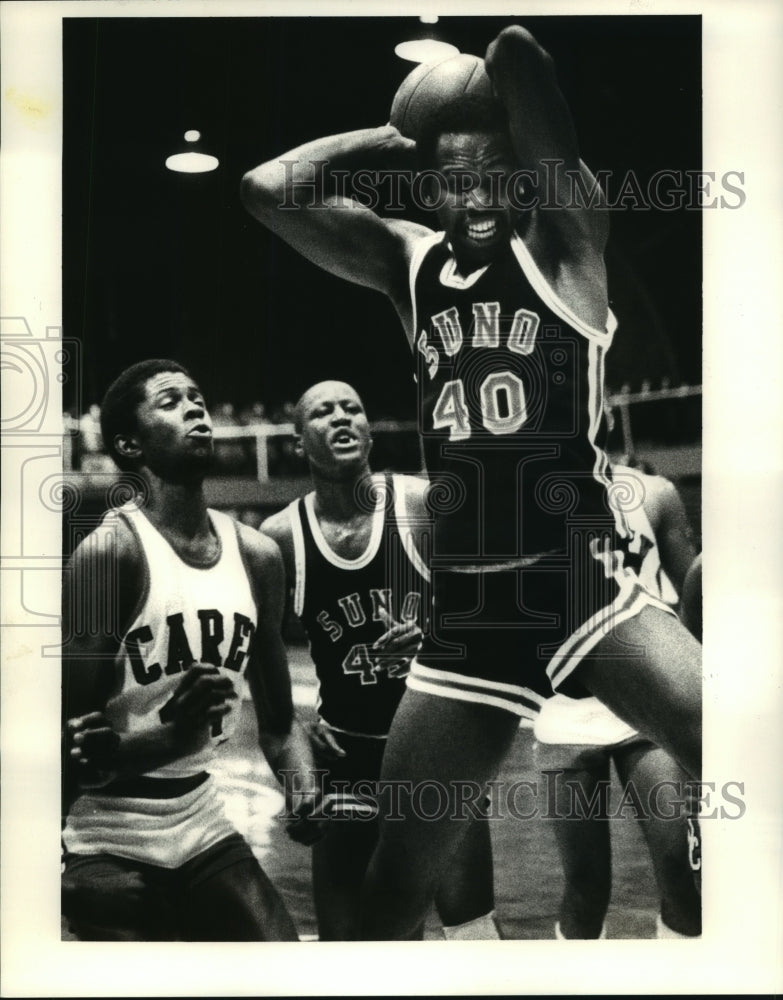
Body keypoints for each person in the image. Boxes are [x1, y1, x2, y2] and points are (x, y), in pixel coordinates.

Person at [241, 24, 702, 939]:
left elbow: (522, 54)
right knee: (392, 883)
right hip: (468, 611)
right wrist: (394, 134)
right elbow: (266, 191)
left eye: (494, 173)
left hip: (573, 580)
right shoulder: (408, 265)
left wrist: (469, 76)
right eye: (454, 178)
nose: (476, 194)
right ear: (430, 186)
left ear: (524, 176)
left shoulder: (568, 244)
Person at [61, 358, 324, 941]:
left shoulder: (257, 556)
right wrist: (168, 740)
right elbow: (66, 753)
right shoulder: (107, 556)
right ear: (130, 444)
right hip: (104, 832)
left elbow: (279, 728)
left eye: (197, 398)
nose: (195, 408)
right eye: (171, 401)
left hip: (202, 824)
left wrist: (304, 790)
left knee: (288, 970)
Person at [260, 379, 499, 940]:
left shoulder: (420, 503)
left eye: (354, 407)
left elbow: (494, 619)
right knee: (354, 947)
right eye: (323, 412)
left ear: (369, 429)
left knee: (472, 930)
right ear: (298, 442)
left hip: (437, 748)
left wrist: (438, 641)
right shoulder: (280, 539)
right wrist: (296, 732)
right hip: (346, 756)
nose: (342, 417)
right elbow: (260, 667)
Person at [534, 463, 701, 939]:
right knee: (586, 886)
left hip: (645, 704)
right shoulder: (525, 493)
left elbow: (695, 585)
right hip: (561, 706)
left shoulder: (654, 492)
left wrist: (681, 678)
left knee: (679, 871)